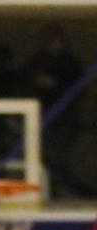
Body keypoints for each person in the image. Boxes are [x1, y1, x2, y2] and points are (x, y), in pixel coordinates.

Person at [22, 26, 89, 196]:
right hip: (41, 116)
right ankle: (51, 190)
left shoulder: (71, 62)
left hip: (65, 117)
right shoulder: (36, 61)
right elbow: (24, 84)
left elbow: (80, 89)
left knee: (59, 157)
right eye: (51, 38)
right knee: (44, 157)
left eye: (58, 38)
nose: (54, 42)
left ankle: (63, 190)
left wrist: (55, 85)